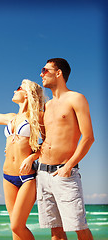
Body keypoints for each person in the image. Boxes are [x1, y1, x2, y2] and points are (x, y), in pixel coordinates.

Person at [0, 79, 46, 240]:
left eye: (18, 88)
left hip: (27, 177)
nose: (14, 91)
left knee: (17, 225)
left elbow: (49, 142)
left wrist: (33, 156)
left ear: (27, 94)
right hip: (7, 176)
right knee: (14, 229)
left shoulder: (38, 116)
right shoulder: (11, 118)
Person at [37, 58, 94, 240]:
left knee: (79, 228)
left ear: (58, 72)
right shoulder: (46, 106)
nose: (41, 74)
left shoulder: (76, 98)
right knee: (55, 231)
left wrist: (68, 166)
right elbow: (44, 141)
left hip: (64, 174)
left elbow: (88, 137)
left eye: (45, 70)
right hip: (43, 174)